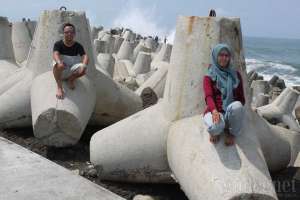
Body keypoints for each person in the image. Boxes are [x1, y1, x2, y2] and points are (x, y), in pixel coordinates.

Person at [203, 43, 245, 146]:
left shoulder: (235, 75)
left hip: (229, 112)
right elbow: (208, 96)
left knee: (238, 106)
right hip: (214, 111)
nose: (224, 58)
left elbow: (241, 98)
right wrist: (214, 111)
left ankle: (231, 133)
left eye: (227, 55)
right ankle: (218, 128)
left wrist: (234, 112)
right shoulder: (209, 76)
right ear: (215, 56)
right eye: (221, 55)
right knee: (215, 128)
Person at [53, 23, 89, 99]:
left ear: (74, 34)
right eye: (66, 32)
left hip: (72, 68)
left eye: (71, 32)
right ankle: (59, 87)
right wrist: (59, 62)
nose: (69, 34)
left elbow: (85, 56)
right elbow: (55, 54)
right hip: (62, 67)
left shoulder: (78, 45)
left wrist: (84, 65)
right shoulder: (58, 44)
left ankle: (71, 79)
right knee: (58, 66)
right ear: (63, 33)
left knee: (83, 69)